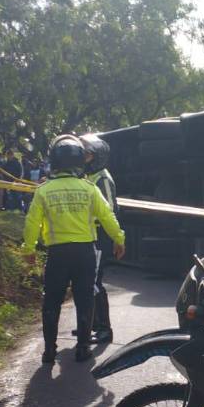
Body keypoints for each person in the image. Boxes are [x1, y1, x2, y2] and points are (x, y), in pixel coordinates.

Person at [24, 135, 126, 364]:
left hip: (57, 254)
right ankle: (82, 348)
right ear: (80, 161)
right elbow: (108, 216)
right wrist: (119, 240)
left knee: (51, 301)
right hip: (85, 253)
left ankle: (49, 350)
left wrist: (28, 250)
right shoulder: (88, 188)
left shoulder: (44, 190)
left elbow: (32, 223)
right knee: (84, 299)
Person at [83, 136, 117, 344]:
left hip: (99, 235)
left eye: (86, 155)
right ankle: (92, 325)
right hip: (90, 235)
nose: (82, 158)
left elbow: (108, 210)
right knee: (86, 280)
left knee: (94, 282)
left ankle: (104, 329)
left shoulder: (101, 179)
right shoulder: (89, 176)